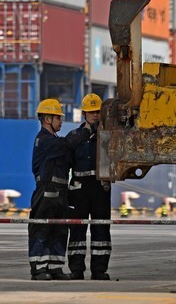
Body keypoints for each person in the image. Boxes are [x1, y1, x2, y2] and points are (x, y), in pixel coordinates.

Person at [29, 98, 94, 281]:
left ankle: (55, 267)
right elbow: (67, 145)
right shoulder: (44, 140)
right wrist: (86, 130)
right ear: (47, 119)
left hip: (60, 193)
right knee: (42, 230)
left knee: (59, 231)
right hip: (46, 192)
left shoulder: (54, 141)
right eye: (58, 118)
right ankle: (39, 269)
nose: (61, 121)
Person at [67, 93, 112, 280]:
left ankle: (99, 270)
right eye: (91, 112)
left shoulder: (107, 136)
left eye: (97, 112)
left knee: (101, 228)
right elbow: (65, 164)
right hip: (78, 188)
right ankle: (76, 270)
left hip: (100, 187)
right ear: (84, 113)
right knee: (77, 229)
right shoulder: (74, 137)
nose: (94, 115)